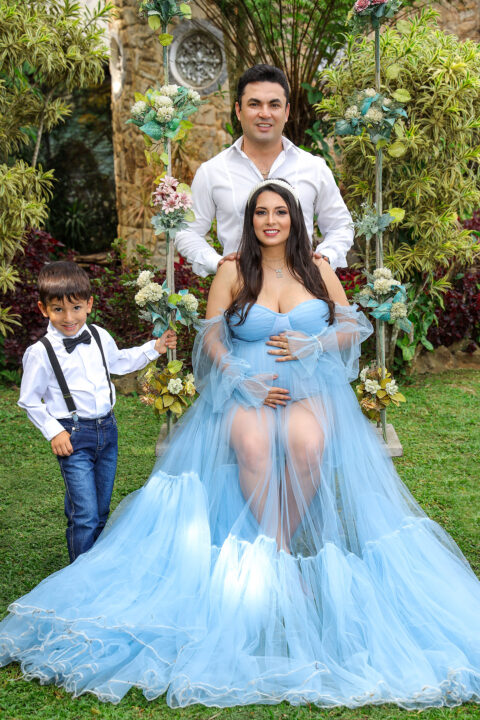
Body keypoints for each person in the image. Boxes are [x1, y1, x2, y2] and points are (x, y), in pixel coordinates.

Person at [1, 182, 480, 709]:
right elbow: (210, 335)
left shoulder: (317, 269)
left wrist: (314, 342)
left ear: (295, 218)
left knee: (307, 445)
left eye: (281, 211)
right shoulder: (232, 270)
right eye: (261, 213)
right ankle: (280, 562)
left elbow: (350, 326)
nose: (271, 221)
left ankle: (273, 551)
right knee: (252, 448)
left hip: (310, 385)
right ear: (250, 220)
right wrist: (237, 375)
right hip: (246, 387)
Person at [17, 260, 176, 562]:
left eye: (76, 308)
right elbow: (29, 400)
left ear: (89, 305)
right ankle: (79, 574)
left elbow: (119, 362)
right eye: (58, 309)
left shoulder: (99, 335)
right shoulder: (40, 353)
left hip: (107, 430)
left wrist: (153, 348)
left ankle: (96, 568)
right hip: (73, 437)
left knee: (101, 510)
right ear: (43, 309)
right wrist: (54, 431)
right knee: (85, 514)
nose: (69, 318)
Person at [175, 64, 353, 276]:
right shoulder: (212, 171)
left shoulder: (313, 168)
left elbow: (341, 225)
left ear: (286, 112)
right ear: (238, 111)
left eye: (274, 105)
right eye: (254, 104)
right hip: (238, 289)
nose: (265, 113)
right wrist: (218, 264)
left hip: (301, 288)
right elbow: (187, 231)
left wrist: (324, 258)